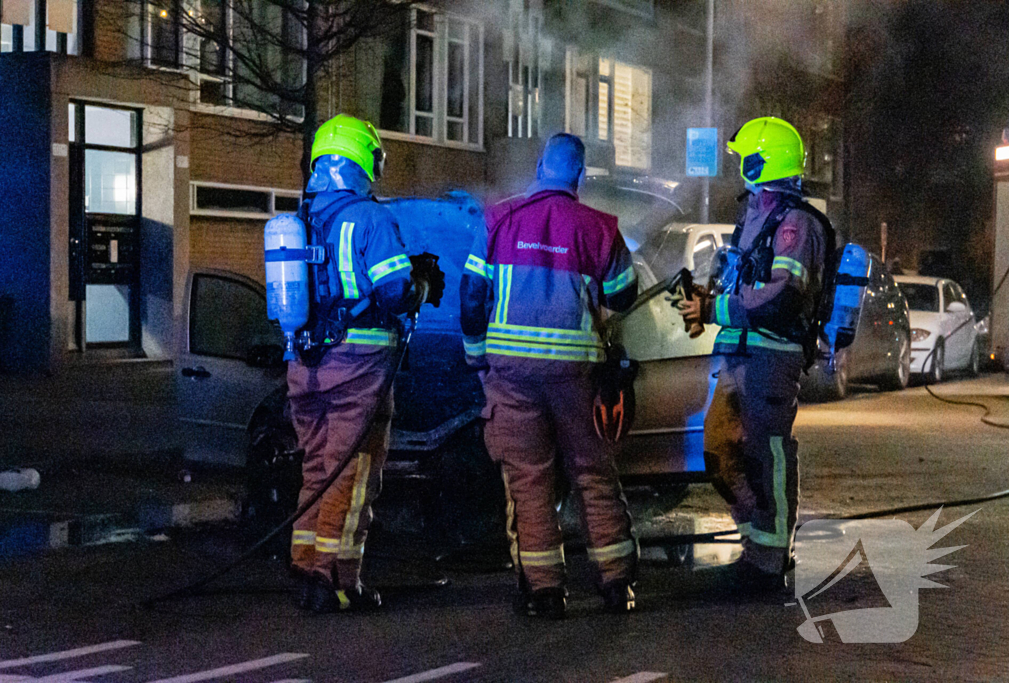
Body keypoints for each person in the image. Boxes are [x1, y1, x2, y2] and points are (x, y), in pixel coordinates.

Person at [460, 133, 640, 618]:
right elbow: (624, 295)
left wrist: (478, 357)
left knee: (529, 481)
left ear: (539, 167)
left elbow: (472, 297)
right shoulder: (600, 227)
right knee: (593, 473)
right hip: (576, 375)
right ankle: (617, 583)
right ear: (581, 177)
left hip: (511, 376)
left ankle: (544, 591)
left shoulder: (499, 219)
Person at [289, 115, 443, 613]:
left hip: (303, 363)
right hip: (356, 365)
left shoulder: (298, 220)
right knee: (352, 473)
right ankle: (336, 578)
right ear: (361, 160)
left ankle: (305, 566)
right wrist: (421, 283)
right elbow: (395, 291)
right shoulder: (369, 219)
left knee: (315, 467)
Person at [678, 117, 827, 591]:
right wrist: (705, 295)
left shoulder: (796, 225)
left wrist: (717, 307)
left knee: (767, 455)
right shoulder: (755, 218)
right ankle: (755, 544)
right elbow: (742, 282)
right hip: (738, 355)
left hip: (772, 357)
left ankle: (769, 562)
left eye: (746, 156)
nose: (739, 164)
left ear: (763, 161)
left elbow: (785, 296)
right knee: (718, 450)